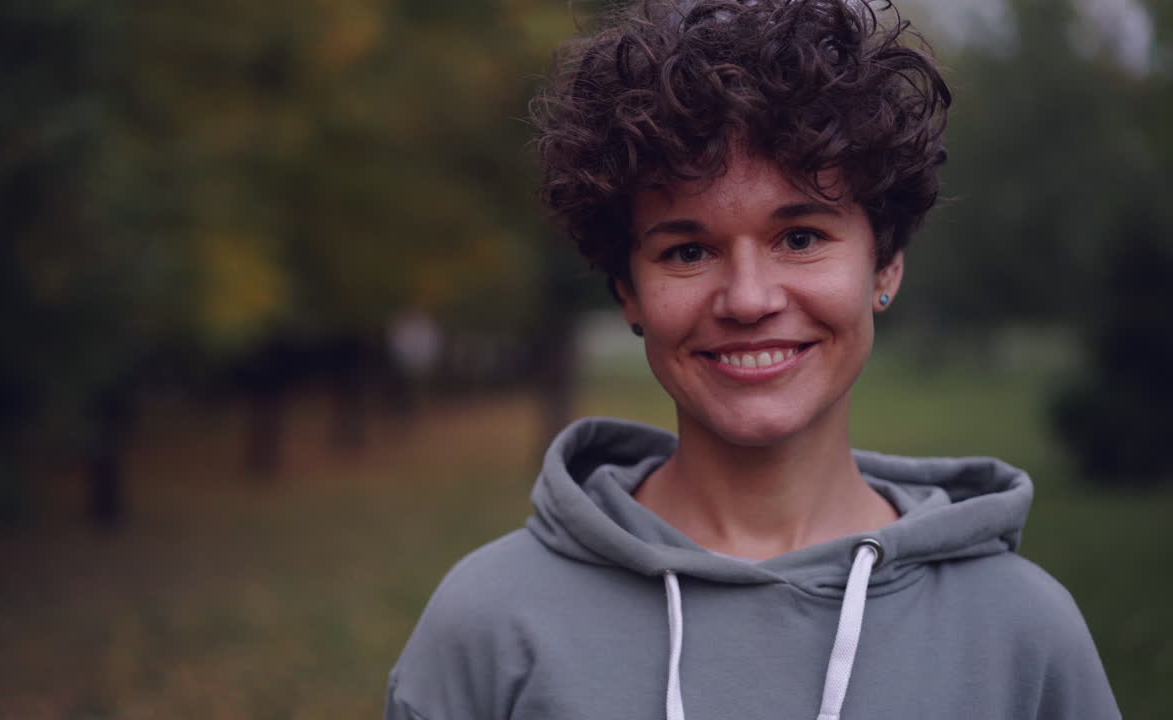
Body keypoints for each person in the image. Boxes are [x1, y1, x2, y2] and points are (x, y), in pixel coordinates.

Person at [386, 1, 1120, 718]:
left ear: (886, 265)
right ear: (629, 293)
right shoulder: (486, 629)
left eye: (799, 237)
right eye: (688, 250)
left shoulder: (1023, 634)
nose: (747, 298)